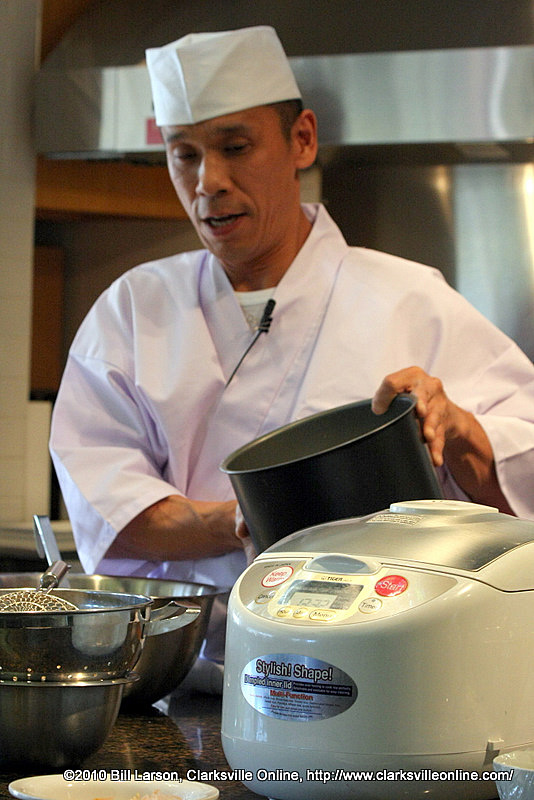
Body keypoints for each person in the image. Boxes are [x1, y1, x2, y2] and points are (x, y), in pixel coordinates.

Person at [50, 26, 534, 677]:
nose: (208, 182)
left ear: (302, 140)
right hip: (187, 671)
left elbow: (521, 468)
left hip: (384, 670)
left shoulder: (413, 299)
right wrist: (244, 517)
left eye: (235, 147)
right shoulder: (133, 309)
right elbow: (105, 503)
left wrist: (463, 432)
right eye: (184, 154)